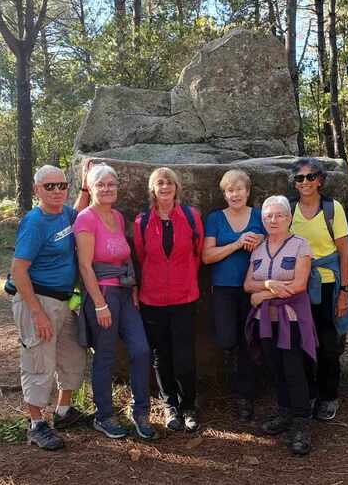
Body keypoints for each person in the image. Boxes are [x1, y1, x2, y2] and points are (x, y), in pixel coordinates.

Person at [73, 164, 157, 441]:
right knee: (105, 357)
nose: (107, 189)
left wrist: (132, 285)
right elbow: (85, 266)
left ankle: (140, 411)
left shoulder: (118, 217)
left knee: (141, 350)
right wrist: (99, 304)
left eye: (112, 184)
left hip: (124, 292)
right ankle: (104, 415)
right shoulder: (86, 219)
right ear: (92, 188)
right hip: (103, 295)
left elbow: (124, 256)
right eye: (101, 185)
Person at [10, 163, 90, 450]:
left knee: (73, 355)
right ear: (37, 190)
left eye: (61, 186)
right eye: (49, 186)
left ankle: (64, 411)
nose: (57, 191)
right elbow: (18, 271)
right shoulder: (35, 222)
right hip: (38, 300)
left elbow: (79, 212)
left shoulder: (65, 214)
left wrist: (83, 186)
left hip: (64, 301)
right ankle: (36, 424)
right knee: (38, 361)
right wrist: (37, 313)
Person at [244, 195, 317, 456]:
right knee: (275, 367)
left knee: (294, 368)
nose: (273, 220)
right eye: (268, 216)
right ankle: (285, 412)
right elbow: (248, 283)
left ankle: (301, 423)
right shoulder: (259, 247)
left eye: (279, 215)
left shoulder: (300, 245)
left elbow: (298, 285)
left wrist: (261, 296)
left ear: (288, 218)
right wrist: (264, 286)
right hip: (266, 322)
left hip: (293, 319)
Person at [133, 167, 204, 433]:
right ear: (153, 189)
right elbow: (142, 257)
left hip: (184, 297)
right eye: (159, 183)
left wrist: (183, 278)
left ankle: (189, 406)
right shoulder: (141, 222)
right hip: (152, 299)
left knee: (185, 356)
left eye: (169, 183)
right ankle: (169, 404)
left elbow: (197, 254)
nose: (164, 187)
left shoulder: (190, 216)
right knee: (161, 356)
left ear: (176, 187)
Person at [288, 158, 348, 421]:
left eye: (311, 177)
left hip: (327, 283)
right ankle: (309, 392)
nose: (306, 182)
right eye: (300, 178)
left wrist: (344, 292)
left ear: (320, 180)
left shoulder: (332, 209)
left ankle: (328, 396)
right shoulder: (289, 210)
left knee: (328, 344)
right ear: (294, 183)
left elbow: (344, 254)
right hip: (298, 285)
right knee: (302, 342)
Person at [202, 170, 264, 421]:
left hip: (255, 288)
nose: (235, 194)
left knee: (249, 341)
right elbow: (207, 256)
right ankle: (229, 382)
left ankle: (244, 395)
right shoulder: (216, 218)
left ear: (247, 192)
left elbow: (278, 241)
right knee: (228, 339)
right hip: (224, 288)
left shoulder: (260, 217)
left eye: (239, 189)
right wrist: (238, 244)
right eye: (230, 190)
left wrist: (261, 238)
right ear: (224, 194)